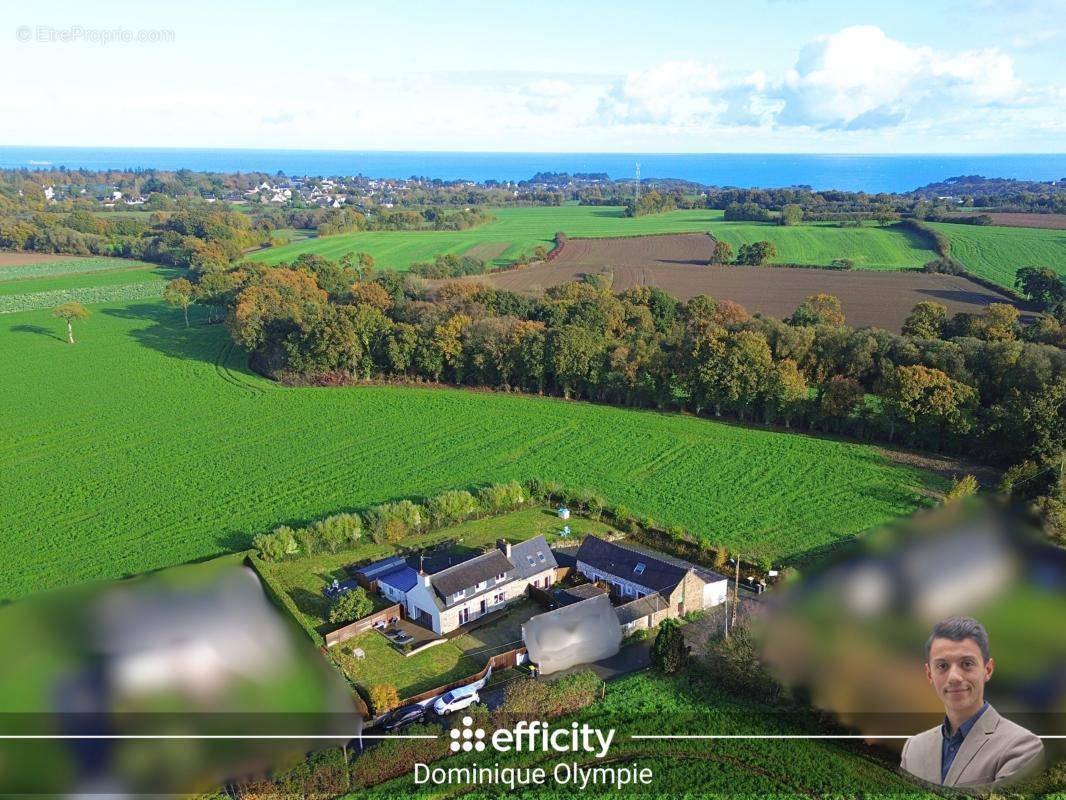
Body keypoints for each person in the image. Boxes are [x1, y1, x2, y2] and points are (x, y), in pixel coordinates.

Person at [900, 616, 1044, 789]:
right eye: (942, 666)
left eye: (967, 663)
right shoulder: (913, 748)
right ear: (930, 674)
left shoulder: (1022, 747)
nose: (954, 677)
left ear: (987, 670)